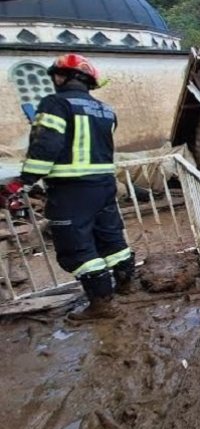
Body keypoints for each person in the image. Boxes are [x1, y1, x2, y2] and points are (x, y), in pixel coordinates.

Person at [10, 54, 133, 320]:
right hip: (104, 185)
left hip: (72, 189)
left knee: (77, 247)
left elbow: (46, 147)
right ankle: (126, 284)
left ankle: (102, 305)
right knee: (111, 237)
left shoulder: (55, 104)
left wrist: (25, 180)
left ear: (63, 77)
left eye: (56, 75)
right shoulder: (105, 109)